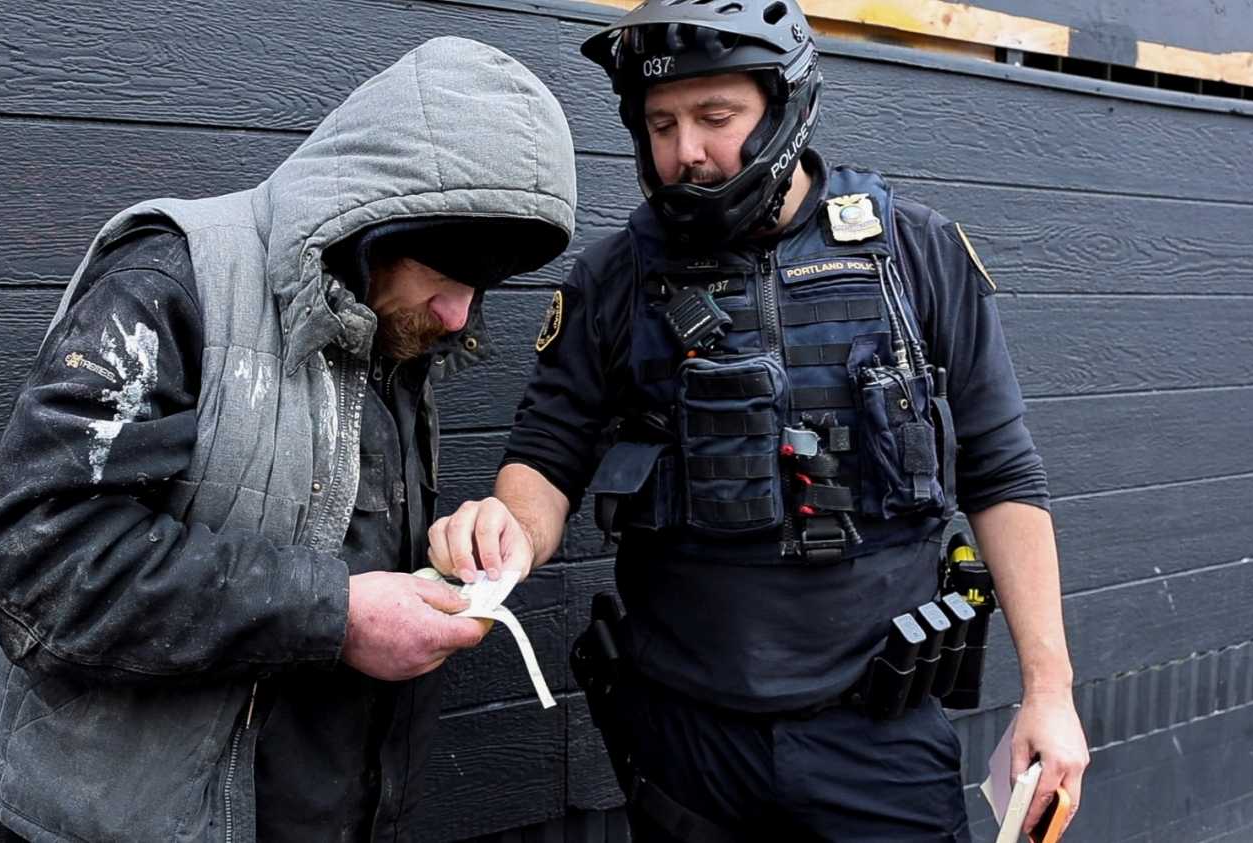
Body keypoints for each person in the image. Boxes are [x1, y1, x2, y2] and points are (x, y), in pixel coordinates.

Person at [428, 4, 1088, 841]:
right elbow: (545, 459)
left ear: (784, 108)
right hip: (685, 744)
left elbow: (1004, 475)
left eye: (716, 117)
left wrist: (1050, 692)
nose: (686, 152)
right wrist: (504, 533)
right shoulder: (610, 281)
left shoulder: (914, 254)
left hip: (877, 741)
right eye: (661, 123)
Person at [0, 37, 576, 843]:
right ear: (374, 213)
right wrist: (340, 613)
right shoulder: (172, 282)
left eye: (483, 283)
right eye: (448, 268)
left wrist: (446, 556)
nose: (461, 314)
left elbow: (323, 527)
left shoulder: (390, 319)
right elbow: (35, 559)